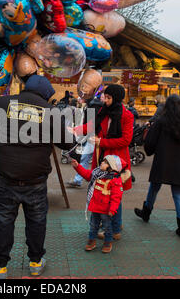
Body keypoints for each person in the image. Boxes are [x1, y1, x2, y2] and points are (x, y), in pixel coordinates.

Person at [0, 75, 75, 279]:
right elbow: (67, 143)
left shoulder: (3, 103)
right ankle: (36, 263)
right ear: (46, 95)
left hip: (5, 179)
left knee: (4, 220)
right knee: (37, 221)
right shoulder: (50, 112)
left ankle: (0, 268)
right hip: (35, 181)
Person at [70, 84, 134, 241]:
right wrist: (75, 130)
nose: (105, 100)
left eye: (108, 97)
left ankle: (114, 229)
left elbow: (126, 140)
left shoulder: (126, 115)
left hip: (117, 160)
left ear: (116, 98)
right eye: (105, 96)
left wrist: (102, 142)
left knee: (114, 193)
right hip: (102, 157)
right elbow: (91, 126)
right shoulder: (103, 111)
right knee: (105, 191)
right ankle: (115, 224)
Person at [134, 94, 180, 239]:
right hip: (179, 164)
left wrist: (149, 150)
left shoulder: (161, 121)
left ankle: (146, 212)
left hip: (162, 162)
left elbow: (151, 142)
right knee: (177, 193)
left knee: (154, 187)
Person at [72, 155, 130, 253]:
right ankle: (92, 240)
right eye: (103, 161)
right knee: (93, 225)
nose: (101, 163)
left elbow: (116, 197)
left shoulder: (115, 180)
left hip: (106, 209)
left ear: (111, 167)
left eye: (105, 162)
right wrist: (77, 166)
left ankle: (108, 242)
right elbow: (87, 174)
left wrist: (112, 210)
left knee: (107, 226)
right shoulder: (97, 173)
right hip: (95, 206)